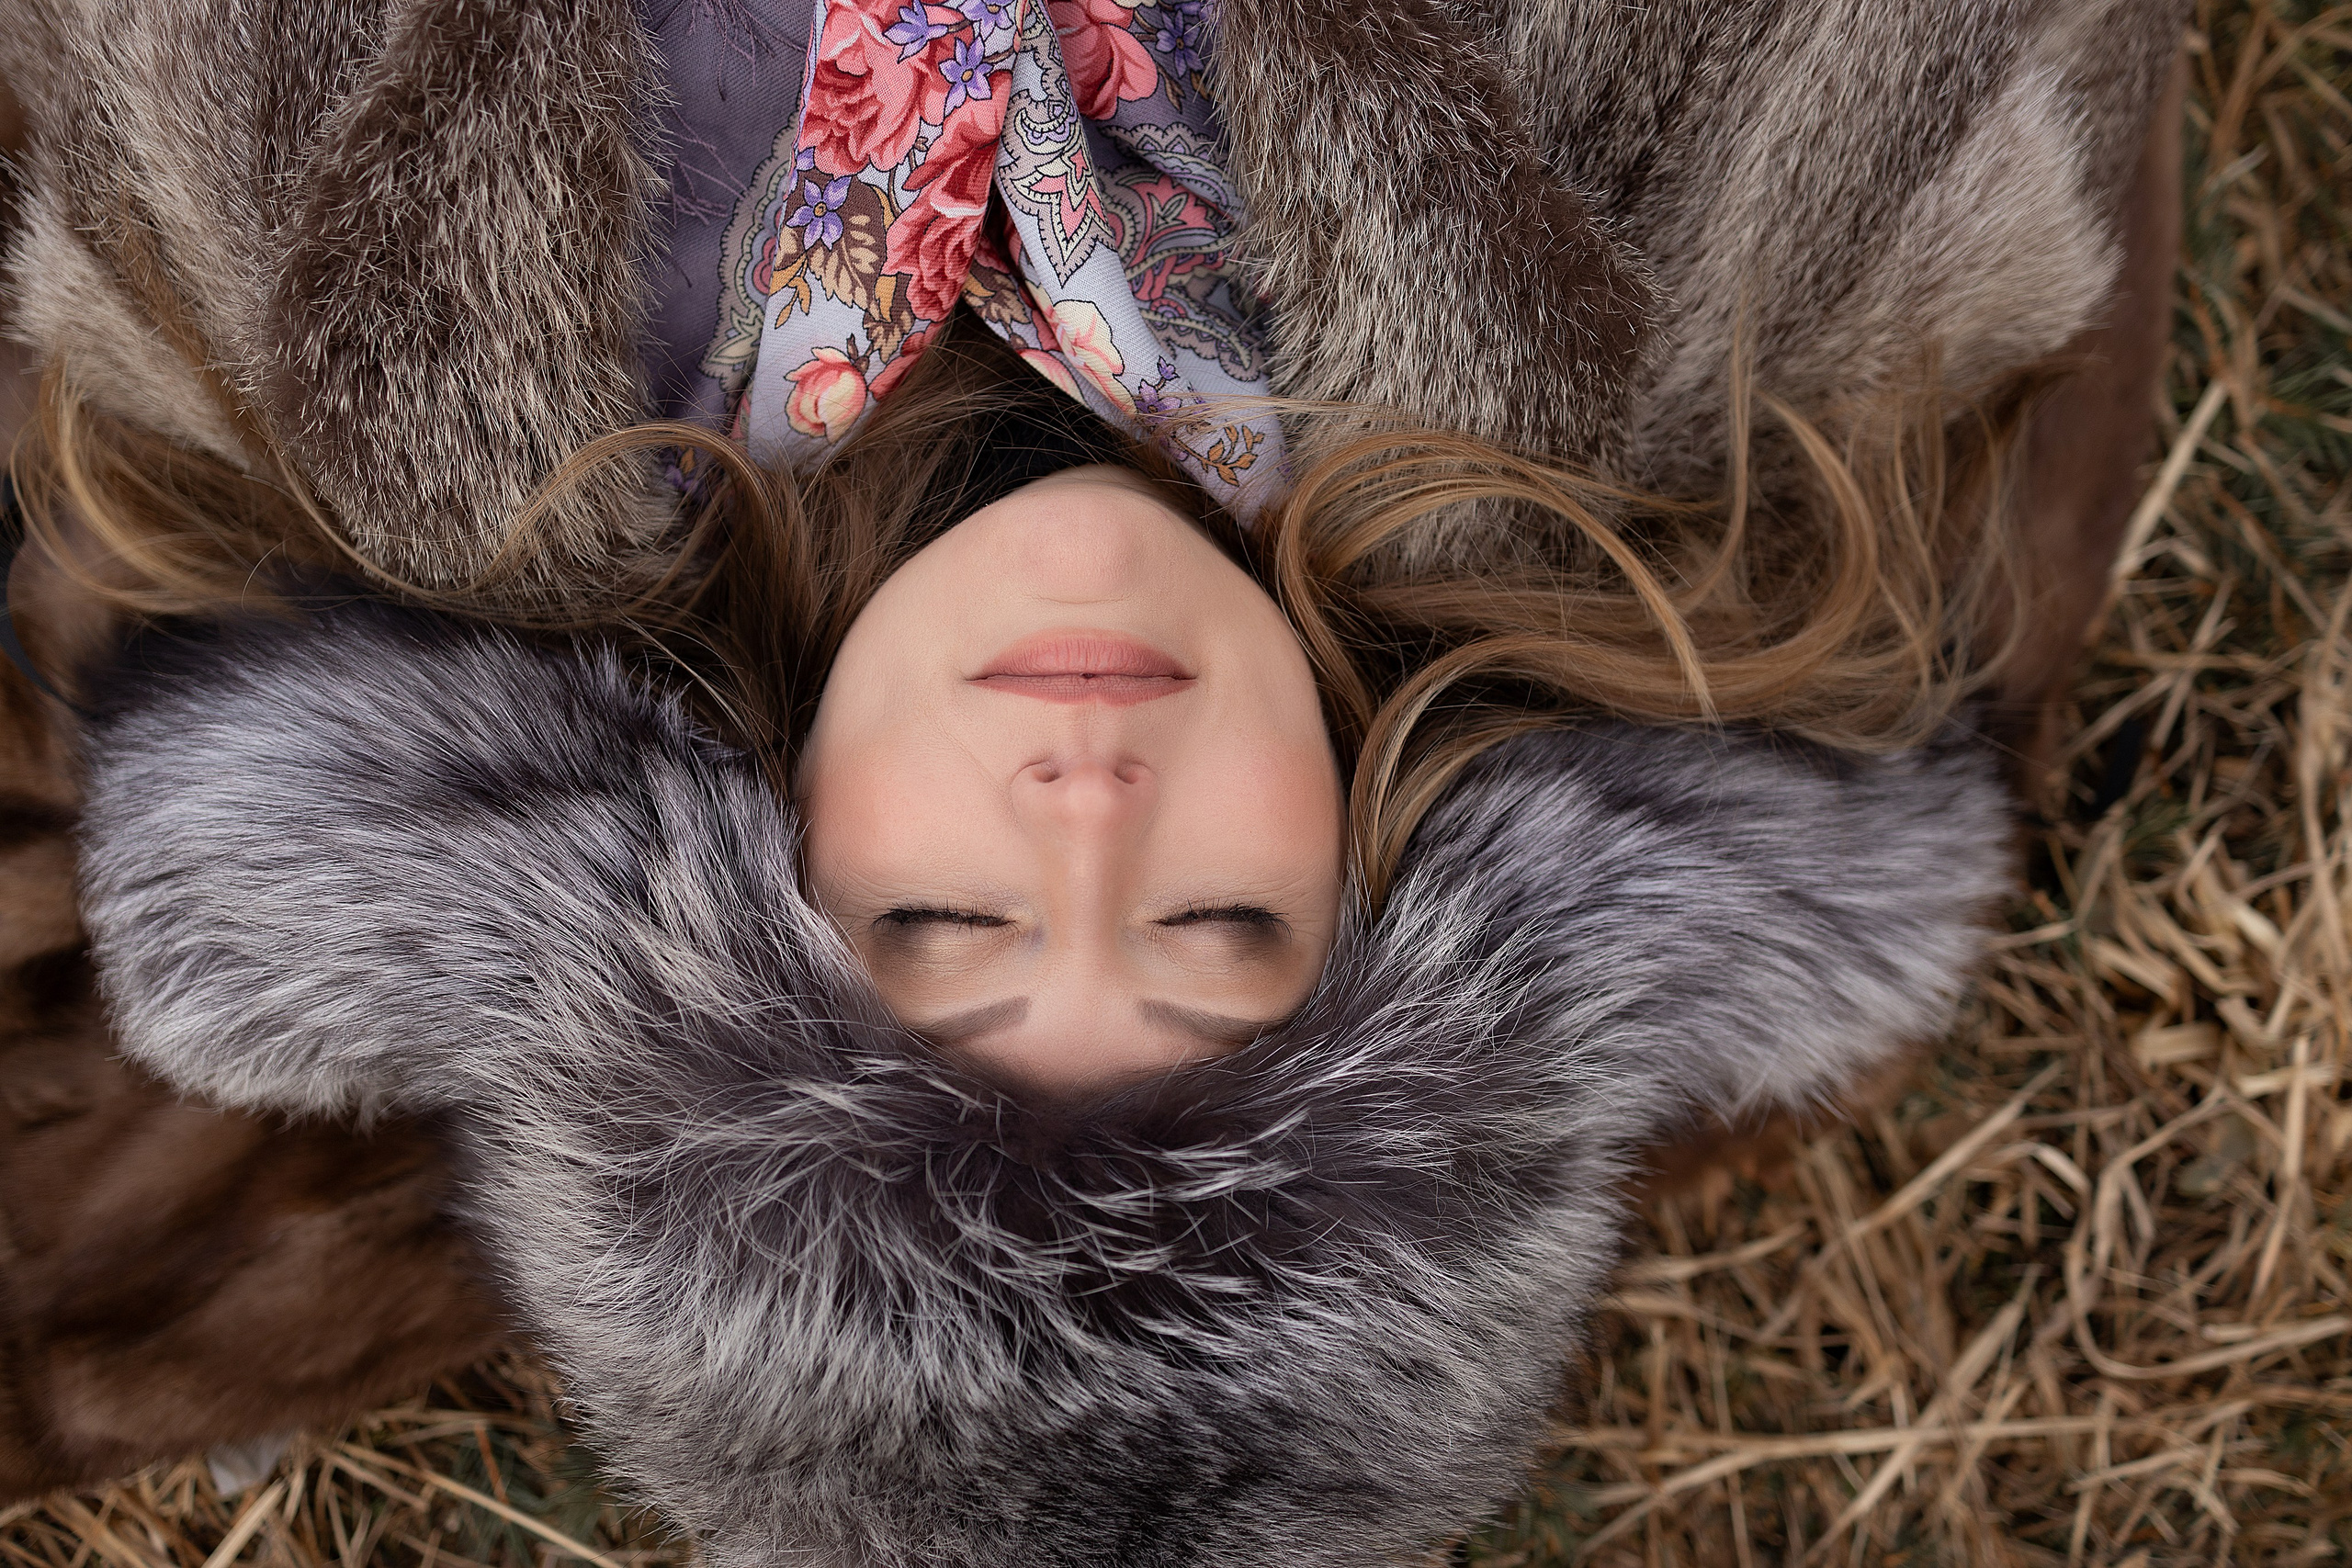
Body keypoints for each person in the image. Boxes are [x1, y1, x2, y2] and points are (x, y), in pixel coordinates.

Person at [0, 0, 2186, 1556]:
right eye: (1217, 925)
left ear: (732, 863)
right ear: (1394, 880)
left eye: (940, 924)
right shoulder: (1699, 356)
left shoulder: (388, 386)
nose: (1083, 797)